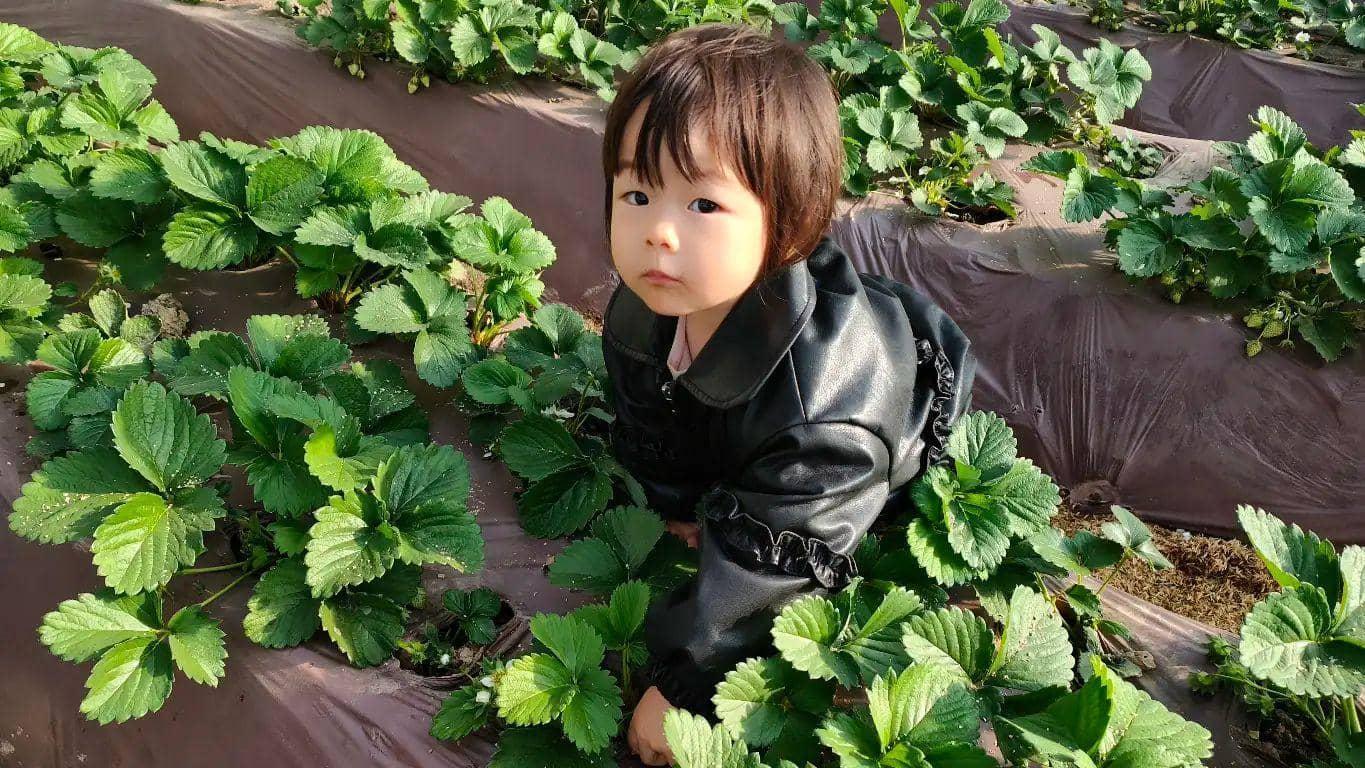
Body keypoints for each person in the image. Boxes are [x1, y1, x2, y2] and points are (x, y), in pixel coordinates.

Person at [599, 22, 977, 766]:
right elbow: (647, 414)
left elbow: (780, 565)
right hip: (761, 416)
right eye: (637, 193)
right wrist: (678, 505)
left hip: (864, 450)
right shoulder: (646, 309)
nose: (658, 233)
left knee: (827, 534)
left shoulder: (826, 414)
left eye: (702, 206)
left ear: (788, 221)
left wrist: (682, 686)